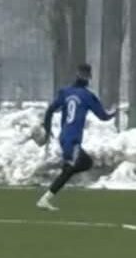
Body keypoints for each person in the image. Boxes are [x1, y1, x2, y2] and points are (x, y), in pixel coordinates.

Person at [35, 64, 115, 211]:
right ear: (88, 78)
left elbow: (50, 110)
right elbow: (103, 116)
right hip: (73, 140)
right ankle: (45, 199)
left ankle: (65, 171)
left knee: (84, 163)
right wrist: (115, 112)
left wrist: (47, 129)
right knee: (76, 167)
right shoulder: (87, 96)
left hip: (64, 137)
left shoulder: (65, 92)